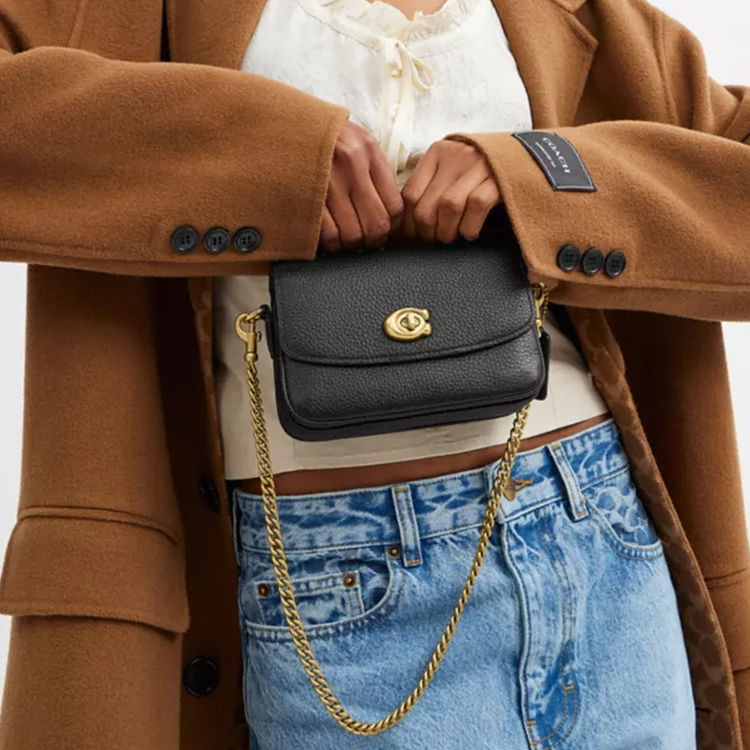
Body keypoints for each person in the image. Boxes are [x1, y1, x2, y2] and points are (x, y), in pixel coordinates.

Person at [0, 0, 748, 749]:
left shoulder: (579, 14)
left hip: (596, 536)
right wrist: (260, 147)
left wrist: (540, 174)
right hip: (316, 580)